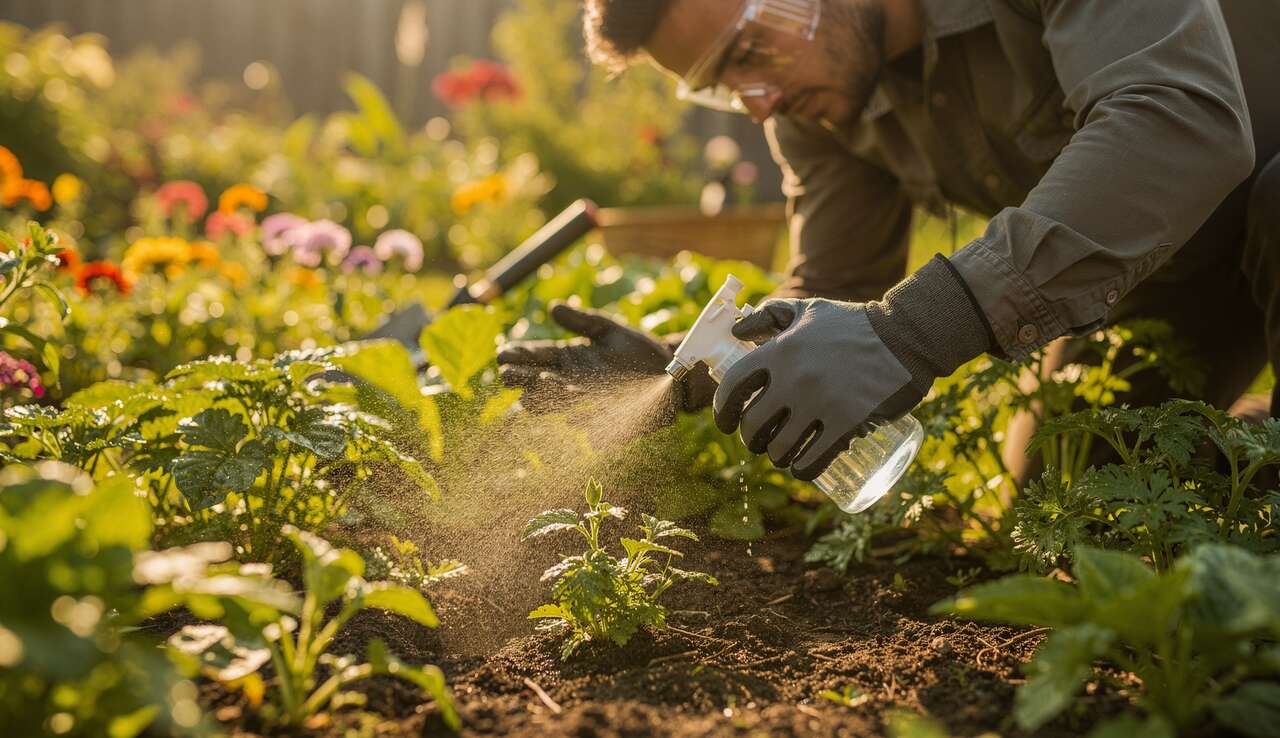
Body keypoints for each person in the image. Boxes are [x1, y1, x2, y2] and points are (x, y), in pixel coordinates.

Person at [498, 0, 1280, 484]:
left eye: (746, 51)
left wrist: (918, 328)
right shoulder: (817, 102)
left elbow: (1179, 122)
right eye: (721, 85)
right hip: (1164, 271)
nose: (759, 103)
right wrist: (685, 363)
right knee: (1071, 483)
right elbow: (830, 293)